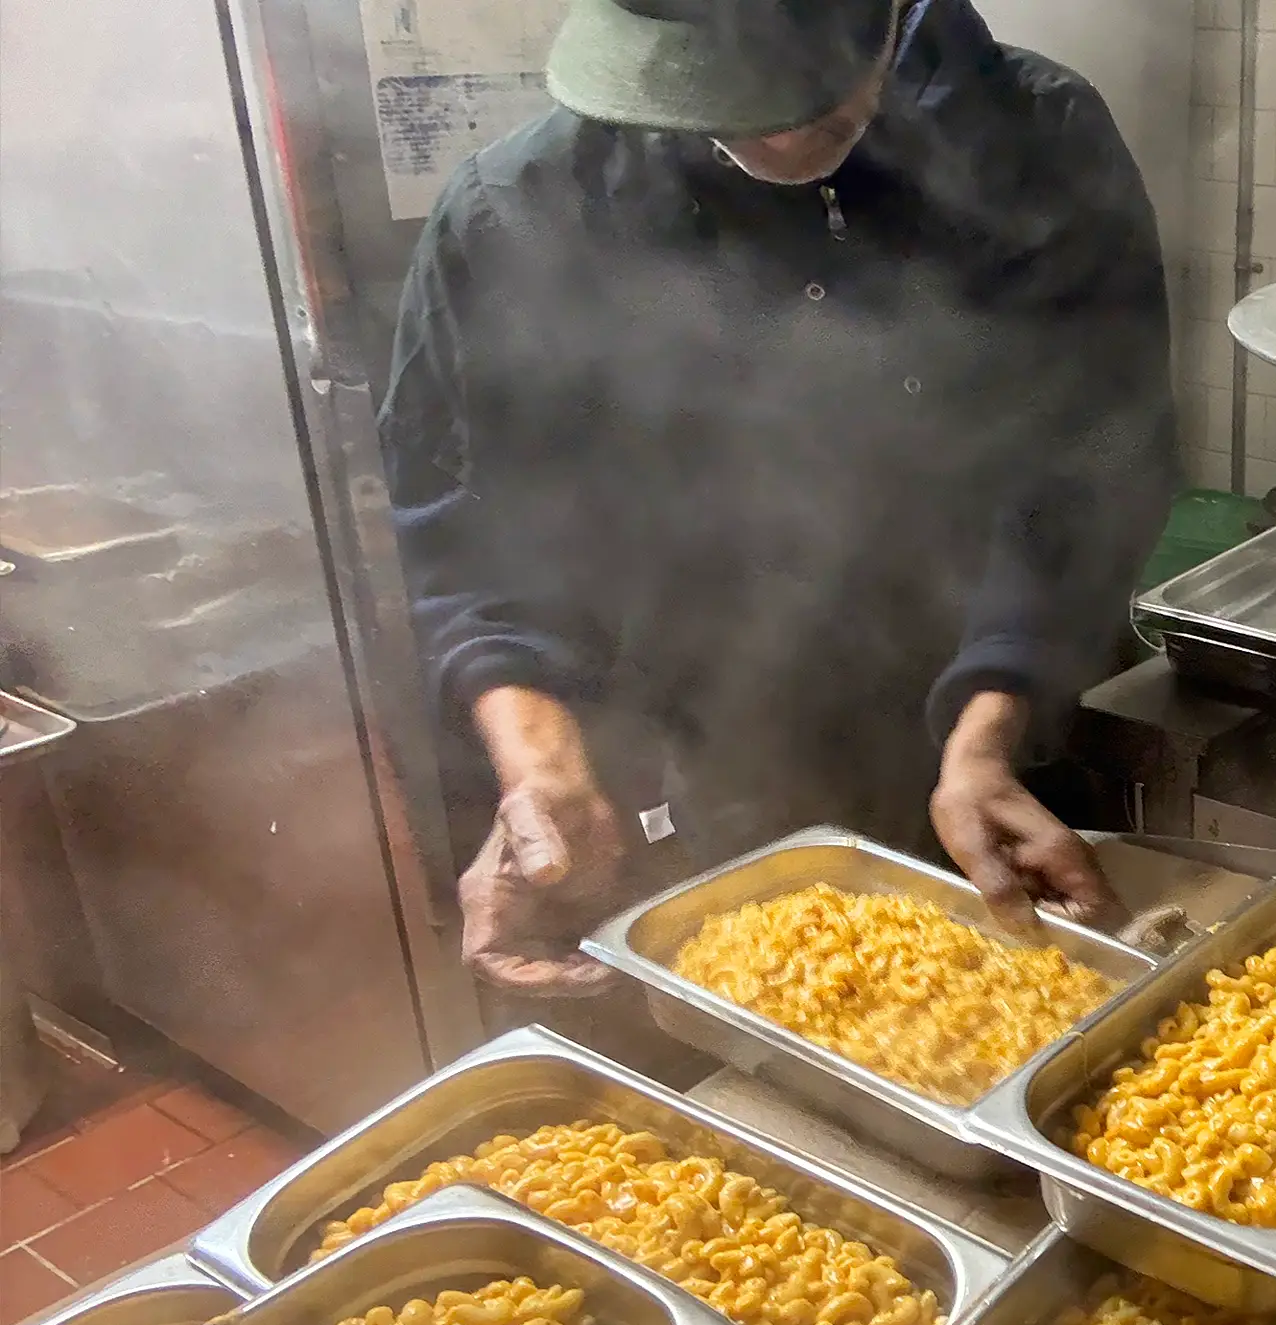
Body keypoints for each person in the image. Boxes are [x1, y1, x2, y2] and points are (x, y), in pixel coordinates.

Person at [380, 0, 1178, 996]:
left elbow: (1090, 466)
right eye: (719, 91)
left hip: (996, 764)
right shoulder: (522, 210)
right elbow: (473, 537)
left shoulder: (1038, 145)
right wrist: (540, 769)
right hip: (680, 778)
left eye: (810, 87)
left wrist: (988, 728)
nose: (783, 134)